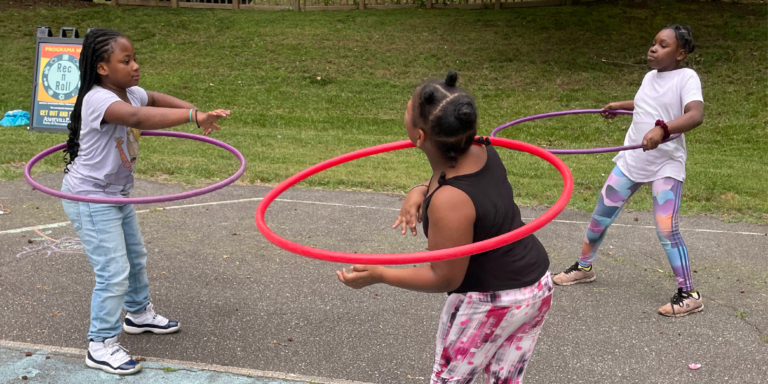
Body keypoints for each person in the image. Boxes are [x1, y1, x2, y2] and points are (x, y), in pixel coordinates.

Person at [337, 71, 553, 383]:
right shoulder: (480, 150)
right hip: (536, 285)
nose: (405, 108)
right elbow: (455, 178)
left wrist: (380, 274)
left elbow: (444, 276)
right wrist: (420, 190)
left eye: (409, 108)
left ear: (420, 136)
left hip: (490, 302)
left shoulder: (449, 201)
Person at [60, 29, 230, 374]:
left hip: (114, 193)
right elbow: (137, 118)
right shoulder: (98, 99)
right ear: (103, 68)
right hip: (89, 195)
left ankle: (138, 315)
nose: (135, 66)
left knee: (135, 257)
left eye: (135, 58)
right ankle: (100, 344)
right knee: (112, 271)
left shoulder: (130, 92)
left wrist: (198, 113)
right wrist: (192, 118)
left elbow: (150, 98)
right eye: (126, 61)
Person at [553, 25, 704, 318]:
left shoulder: (687, 77)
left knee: (666, 229)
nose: (653, 49)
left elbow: (694, 115)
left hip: (665, 165)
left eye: (663, 45)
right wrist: (621, 105)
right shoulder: (649, 77)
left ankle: (689, 294)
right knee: (600, 217)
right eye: (653, 43)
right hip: (632, 161)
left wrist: (662, 130)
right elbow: (647, 104)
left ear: (680, 53)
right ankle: (584, 267)